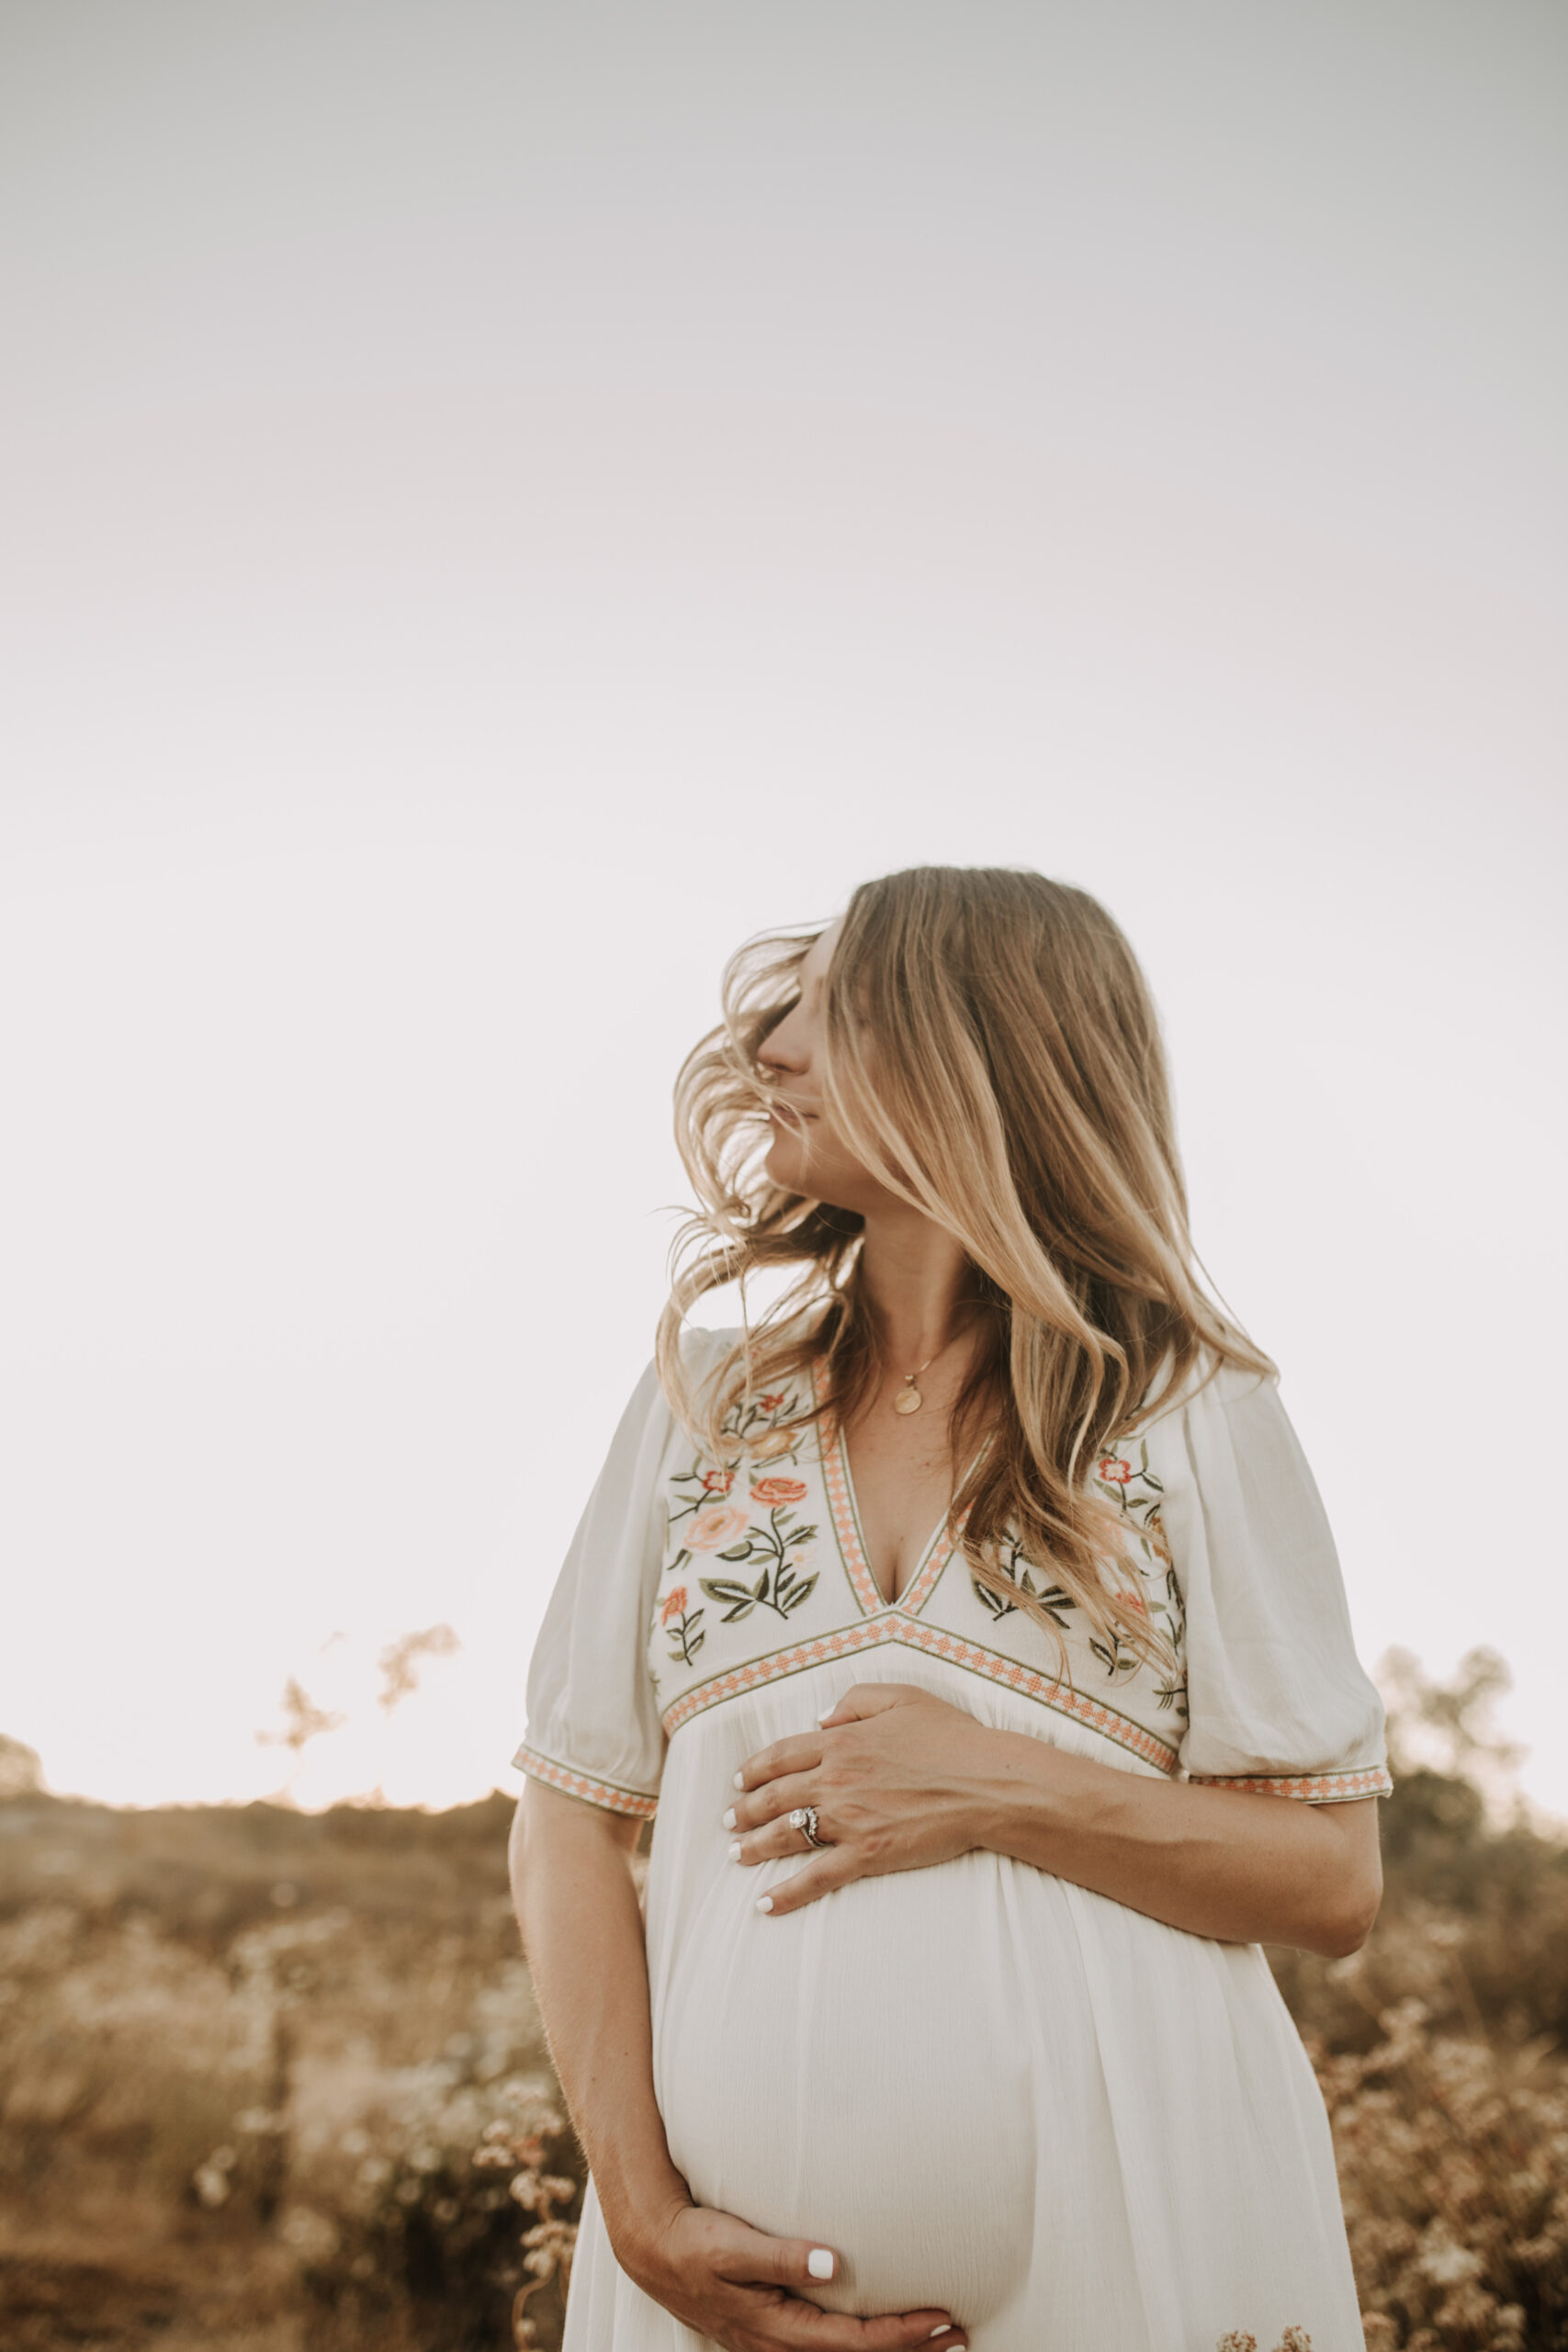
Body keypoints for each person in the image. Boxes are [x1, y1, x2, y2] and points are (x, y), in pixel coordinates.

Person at [508, 865, 1389, 2352]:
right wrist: (646, 2219)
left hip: (1150, 2249)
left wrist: (1002, 1786)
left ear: (973, 1054)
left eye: (833, 1009)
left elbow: (1330, 1881)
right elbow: (568, 1818)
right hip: (709, 2297)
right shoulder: (704, 1402)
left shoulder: (1196, 1408)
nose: (770, 1048)